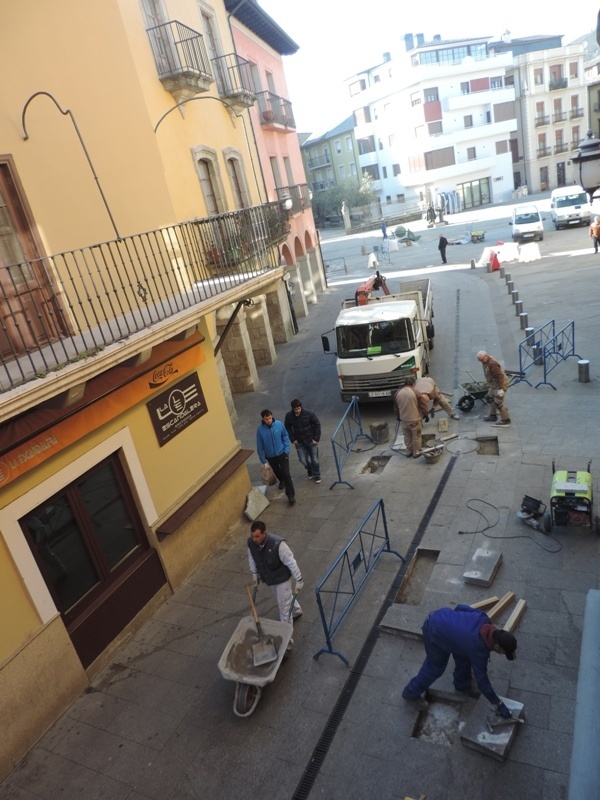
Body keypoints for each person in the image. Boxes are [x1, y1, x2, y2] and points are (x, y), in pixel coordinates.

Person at [402, 604, 518, 714]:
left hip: (442, 616)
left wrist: (456, 628)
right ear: (497, 647)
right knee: (435, 668)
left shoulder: (483, 618)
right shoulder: (478, 649)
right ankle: (410, 693)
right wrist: (498, 703)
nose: (502, 654)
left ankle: (462, 685)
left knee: (464, 656)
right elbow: (482, 681)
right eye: (503, 652)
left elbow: (460, 607)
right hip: (434, 630)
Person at [248, 520, 303, 629]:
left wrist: (299, 579)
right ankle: (297, 611)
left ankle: (287, 640)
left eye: (257, 536)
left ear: (264, 533)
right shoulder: (251, 543)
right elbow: (252, 558)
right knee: (284, 599)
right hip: (270, 579)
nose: (254, 539)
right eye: (252, 536)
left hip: (282, 579)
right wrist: (254, 573)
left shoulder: (278, 544)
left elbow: (290, 561)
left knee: (284, 608)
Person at [256, 409, 296, 505]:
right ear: (263, 419)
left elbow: (285, 436)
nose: (269, 420)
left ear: (272, 416)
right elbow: (259, 445)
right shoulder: (260, 430)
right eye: (266, 419)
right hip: (270, 456)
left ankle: (291, 495)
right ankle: (281, 480)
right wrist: (263, 460)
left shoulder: (278, 424)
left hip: (282, 453)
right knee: (277, 471)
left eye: (270, 418)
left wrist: (286, 450)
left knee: (286, 474)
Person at [284, 399, 321, 484]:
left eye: (298, 408)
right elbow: (287, 428)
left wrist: (316, 438)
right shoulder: (289, 416)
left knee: (314, 459)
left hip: (310, 440)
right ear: (293, 409)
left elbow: (317, 424)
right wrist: (293, 439)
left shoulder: (309, 414)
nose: (297, 411)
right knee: (302, 460)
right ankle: (310, 469)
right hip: (299, 441)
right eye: (295, 409)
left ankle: (316, 474)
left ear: (301, 407)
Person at [477, 351, 511, 426]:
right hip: (493, 384)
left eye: (482, 360)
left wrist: (501, 389)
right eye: (480, 360)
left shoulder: (492, 364)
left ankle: (506, 419)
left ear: (486, 356)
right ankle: (493, 416)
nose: (481, 362)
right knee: (489, 397)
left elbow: (500, 376)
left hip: (499, 385)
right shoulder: (486, 360)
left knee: (498, 403)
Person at [393, 375, 424, 458]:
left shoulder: (398, 393)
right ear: (413, 384)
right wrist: (426, 414)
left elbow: (396, 407)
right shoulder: (416, 392)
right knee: (416, 436)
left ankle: (408, 451)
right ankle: (416, 452)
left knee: (407, 435)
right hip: (414, 419)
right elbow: (422, 405)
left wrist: (398, 416)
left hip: (404, 419)